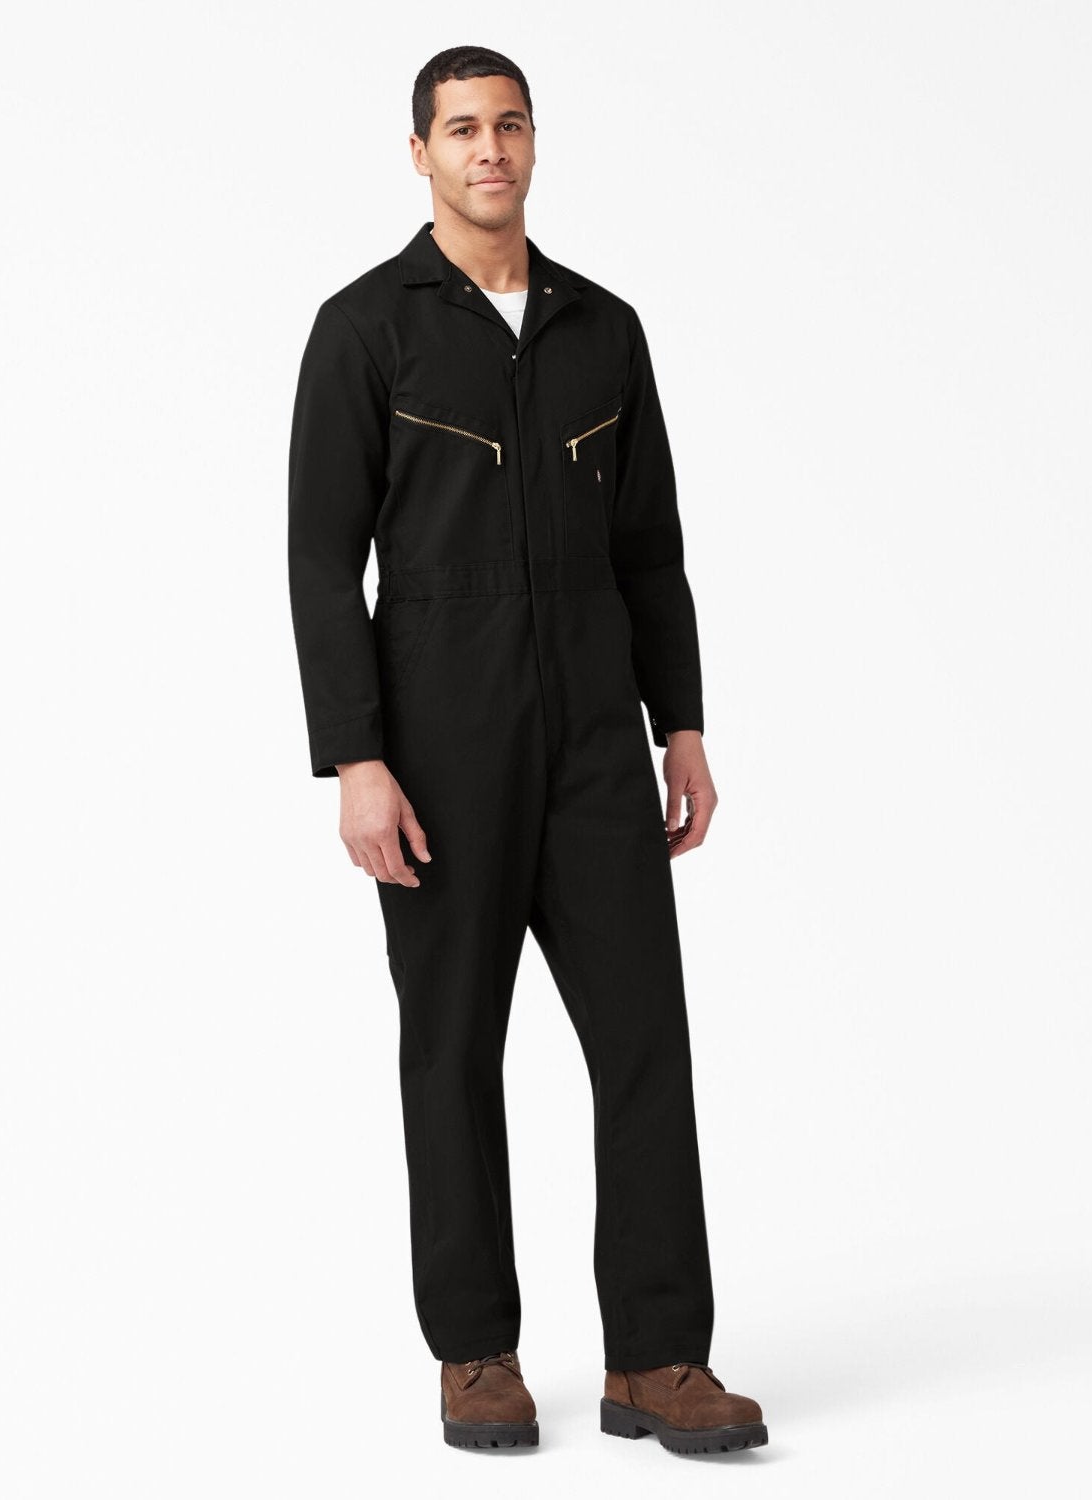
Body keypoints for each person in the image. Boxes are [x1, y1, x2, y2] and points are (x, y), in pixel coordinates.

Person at [286, 44, 767, 1456]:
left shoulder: (602, 330)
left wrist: (681, 722)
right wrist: (355, 758)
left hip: (596, 738)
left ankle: (658, 1361)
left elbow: (651, 549)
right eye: (461, 129)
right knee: (453, 1049)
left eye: (508, 125)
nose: (488, 149)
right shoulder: (365, 329)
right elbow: (321, 562)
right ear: (420, 154)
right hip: (439, 745)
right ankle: (475, 1353)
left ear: (535, 143)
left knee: (645, 1038)